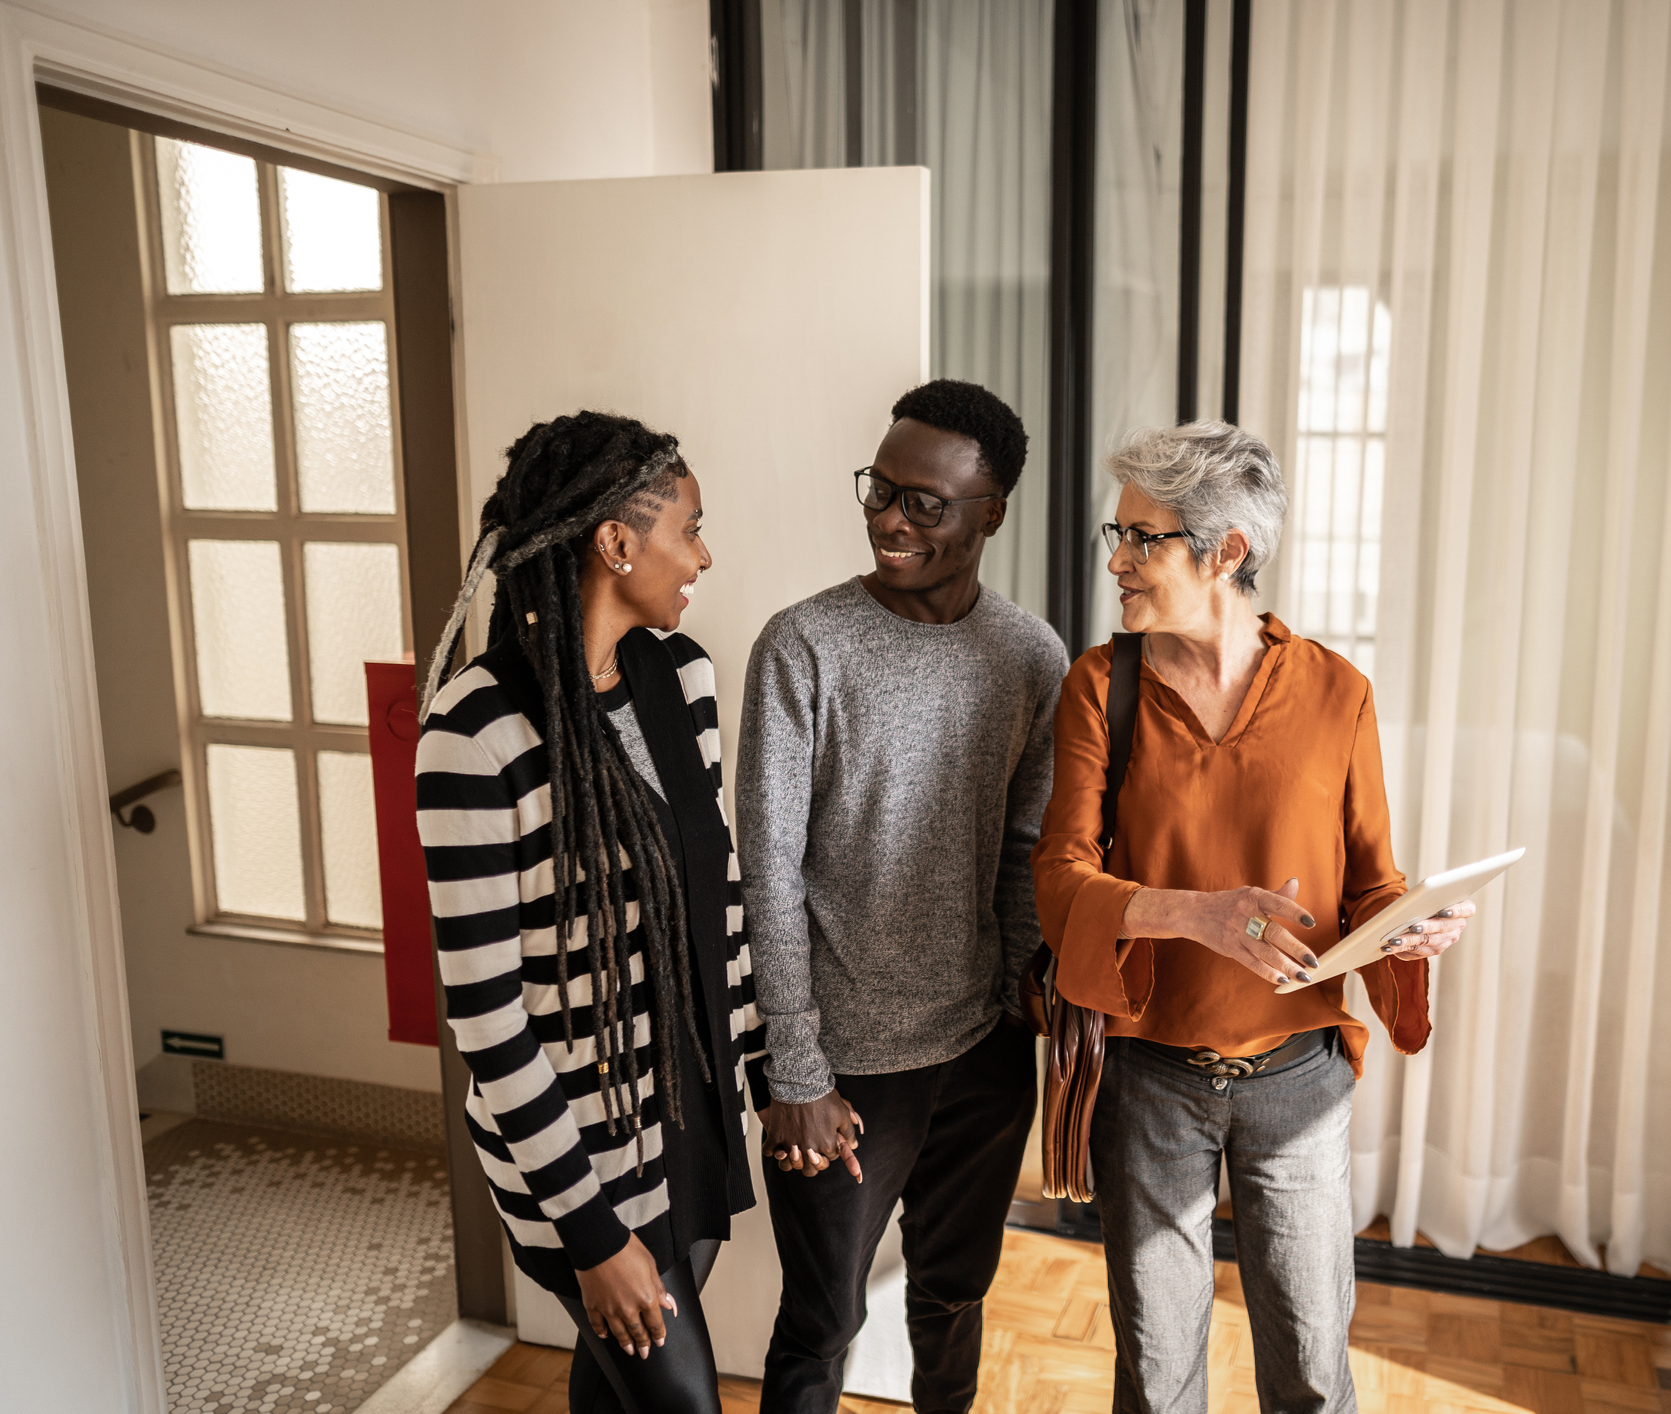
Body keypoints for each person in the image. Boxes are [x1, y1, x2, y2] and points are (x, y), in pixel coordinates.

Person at [1030, 422, 1473, 1414]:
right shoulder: (1101, 688)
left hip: (1299, 1085)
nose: (1118, 559)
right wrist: (1197, 913)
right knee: (1157, 1379)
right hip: (1147, 1081)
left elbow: (1369, 882)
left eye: (1143, 538)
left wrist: (1405, 923)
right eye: (1120, 532)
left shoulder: (1335, 693)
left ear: (1225, 551)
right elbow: (1058, 884)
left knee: (1314, 1375)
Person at [415, 412, 765, 1414]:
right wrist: (594, 1233)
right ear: (617, 542)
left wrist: (773, 1070)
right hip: (579, 1165)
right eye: (688, 527)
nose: (701, 553)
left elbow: (719, 901)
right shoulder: (472, 736)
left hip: (687, 1122)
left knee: (620, 1393)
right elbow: (488, 1023)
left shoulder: (684, 679)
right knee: (680, 1402)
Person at [736, 379, 1069, 1413]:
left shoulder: (1030, 656)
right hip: (843, 1069)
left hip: (981, 1052)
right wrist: (795, 1068)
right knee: (821, 1322)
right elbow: (769, 869)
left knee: (954, 1297)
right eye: (880, 489)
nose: (890, 516)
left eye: (924, 501)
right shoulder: (805, 645)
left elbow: (1025, 844)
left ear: (991, 513)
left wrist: (1020, 995)